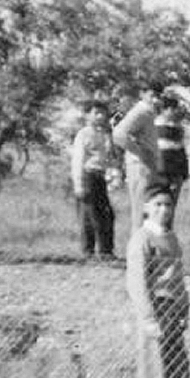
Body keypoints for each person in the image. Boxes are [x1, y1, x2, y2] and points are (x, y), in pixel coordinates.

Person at [125, 182, 190, 378]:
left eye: (168, 205)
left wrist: (184, 308)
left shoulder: (172, 238)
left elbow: (178, 278)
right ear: (146, 208)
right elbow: (137, 282)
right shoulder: (142, 239)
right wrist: (148, 318)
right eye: (158, 205)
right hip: (157, 308)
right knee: (156, 370)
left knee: (179, 370)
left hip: (174, 310)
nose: (164, 210)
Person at [70, 100, 122, 261]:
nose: (100, 116)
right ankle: (88, 252)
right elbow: (78, 160)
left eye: (102, 113)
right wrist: (78, 184)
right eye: (96, 113)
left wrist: (115, 175)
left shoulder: (106, 134)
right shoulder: (83, 134)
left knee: (106, 214)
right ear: (87, 115)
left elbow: (112, 157)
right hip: (87, 176)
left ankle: (106, 250)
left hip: (101, 177)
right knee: (89, 215)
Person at [114, 83, 164, 229]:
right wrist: (140, 152)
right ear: (142, 94)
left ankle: (146, 246)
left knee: (149, 208)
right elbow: (118, 134)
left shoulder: (150, 111)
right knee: (141, 209)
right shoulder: (140, 111)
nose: (156, 99)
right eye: (152, 95)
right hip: (140, 165)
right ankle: (137, 248)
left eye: (158, 96)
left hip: (149, 165)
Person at [154, 94, 190, 210]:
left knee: (172, 202)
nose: (174, 111)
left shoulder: (178, 126)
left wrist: (184, 171)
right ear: (164, 110)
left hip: (176, 166)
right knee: (161, 199)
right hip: (163, 165)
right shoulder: (156, 124)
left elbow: (181, 147)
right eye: (172, 109)